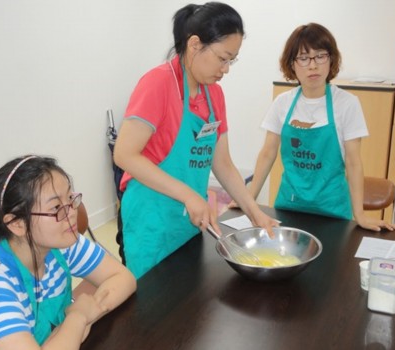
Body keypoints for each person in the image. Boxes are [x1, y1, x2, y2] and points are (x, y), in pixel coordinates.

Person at [113, 2, 278, 279]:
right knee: (151, 309)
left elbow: (223, 163)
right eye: (222, 58)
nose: (226, 69)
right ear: (194, 45)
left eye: (232, 60)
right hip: (151, 218)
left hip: (188, 220)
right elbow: (125, 155)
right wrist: (189, 195)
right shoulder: (158, 84)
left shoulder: (214, 95)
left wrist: (253, 211)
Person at [0, 155, 136, 349]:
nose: (72, 212)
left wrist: (80, 321)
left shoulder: (62, 242)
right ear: (17, 224)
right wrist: (78, 317)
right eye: (56, 207)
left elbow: (123, 278)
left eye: (70, 198)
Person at [242, 23, 395, 232]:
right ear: (292, 64)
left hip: (333, 211)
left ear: (331, 59)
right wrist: (248, 199)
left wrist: (359, 214)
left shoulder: (347, 104)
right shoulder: (282, 103)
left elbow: (353, 162)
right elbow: (268, 152)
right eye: (304, 58)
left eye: (320, 56)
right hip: (289, 207)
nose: (313, 65)